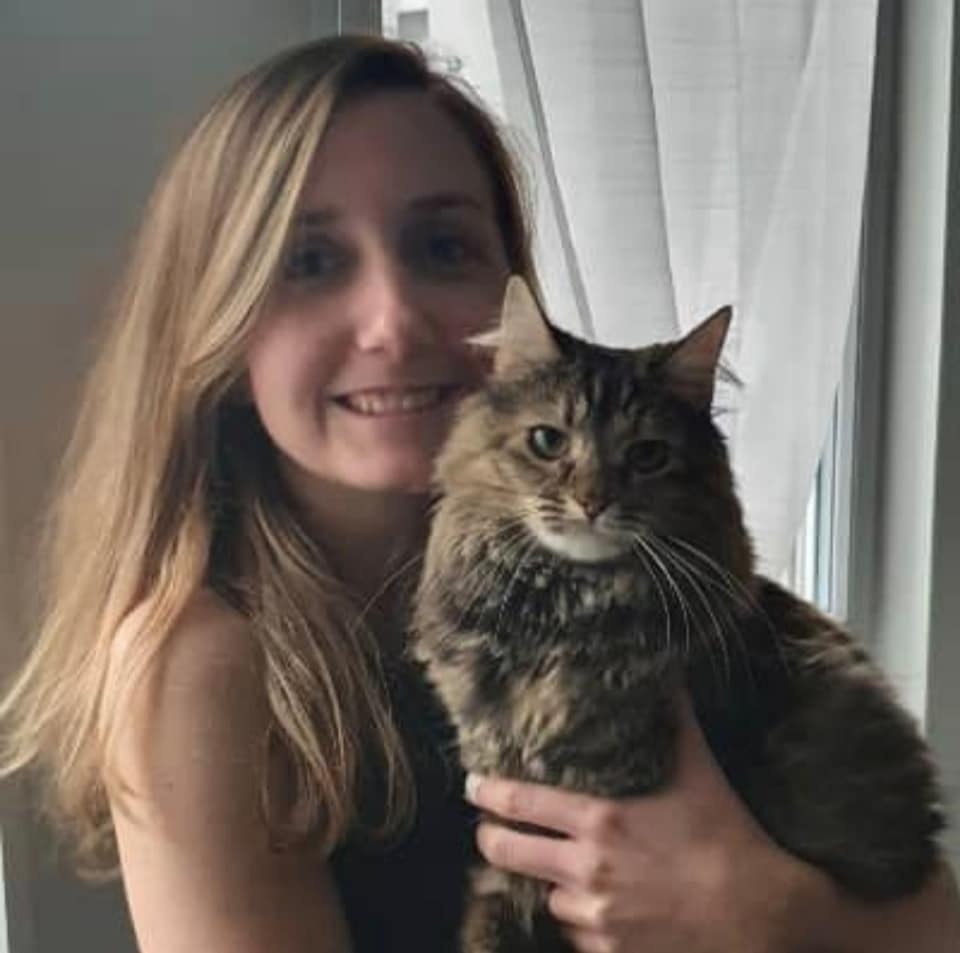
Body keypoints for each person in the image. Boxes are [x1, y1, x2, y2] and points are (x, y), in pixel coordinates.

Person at [1, 34, 957, 953]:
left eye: (442, 246)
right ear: (220, 322)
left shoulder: (604, 562)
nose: (393, 319)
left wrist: (781, 914)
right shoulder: (199, 664)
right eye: (311, 262)